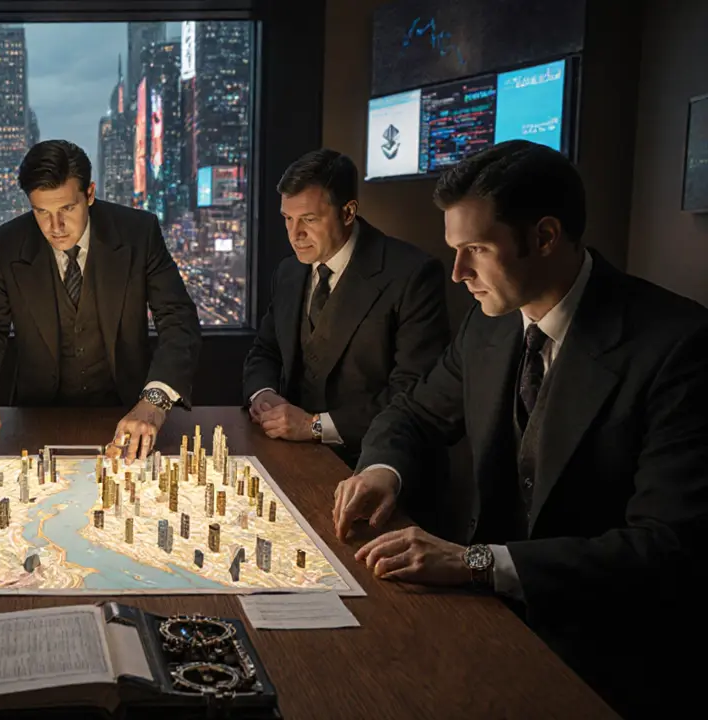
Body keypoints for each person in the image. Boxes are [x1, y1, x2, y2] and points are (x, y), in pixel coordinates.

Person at [332, 140, 708, 718]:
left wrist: (478, 562)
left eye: (476, 249)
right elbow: (411, 414)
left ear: (545, 237)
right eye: (455, 250)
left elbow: (666, 548)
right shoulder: (489, 327)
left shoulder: (677, 344)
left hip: (608, 657)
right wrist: (383, 470)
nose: (458, 273)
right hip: (487, 625)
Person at [0, 139, 201, 461]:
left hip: (131, 412)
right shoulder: (5, 244)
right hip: (37, 417)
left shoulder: (139, 233)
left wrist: (154, 401)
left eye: (67, 209)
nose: (55, 227)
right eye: (42, 212)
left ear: (90, 194)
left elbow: (178, 321)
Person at [242, 149, 449, 467]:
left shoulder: (412, 275)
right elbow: (265, 350)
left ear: (348, 212)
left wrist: (313, 426)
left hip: (373, 465)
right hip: (289, 458)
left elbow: (412, 393)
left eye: (309, 219)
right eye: (288, 218)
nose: (295, 234)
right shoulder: (288, 272)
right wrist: (263, 395)